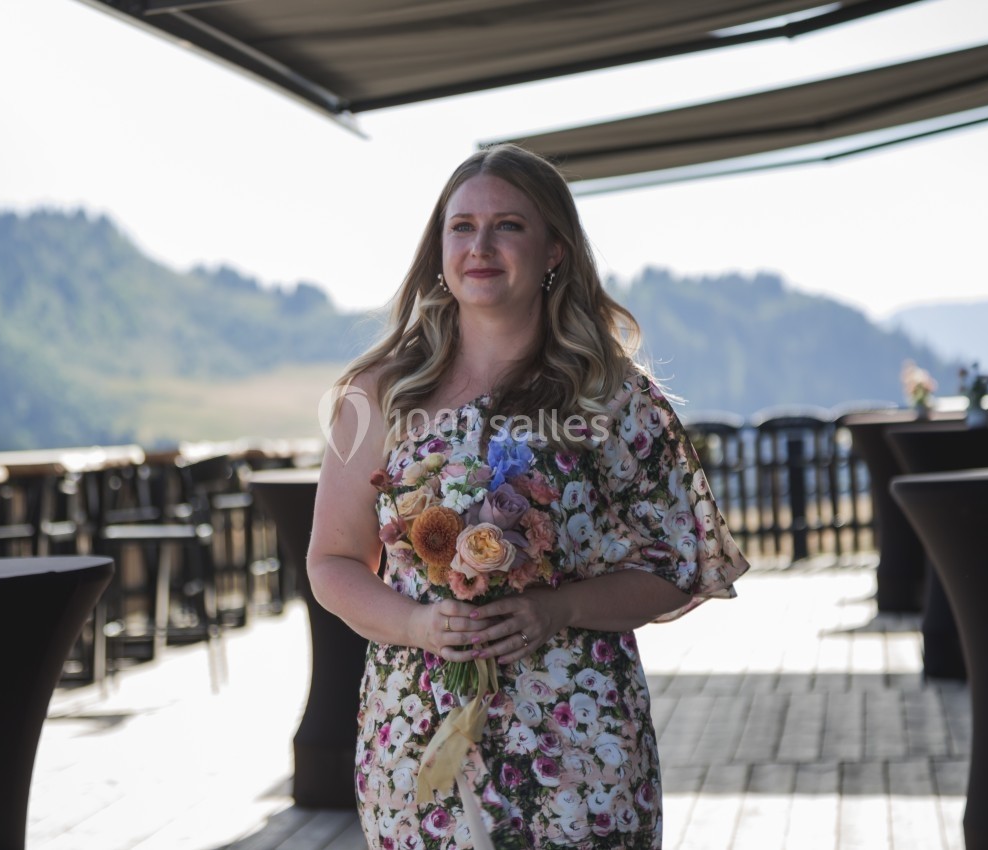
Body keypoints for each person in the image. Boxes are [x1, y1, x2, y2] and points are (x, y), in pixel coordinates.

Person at [307, 143, 750, 850]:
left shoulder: (613, 396)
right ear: (439, 248)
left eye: (508, 225)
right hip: (420, 728)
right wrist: (419, 627)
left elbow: (679, 567)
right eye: (462, 227)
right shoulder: (379, 394)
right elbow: (331, 562)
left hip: (579, 735)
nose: (480, 245)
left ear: (554, 252)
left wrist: (559, 608)